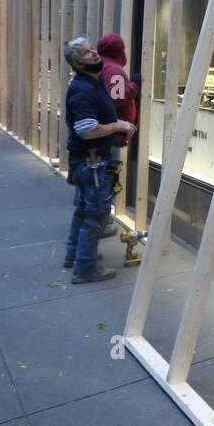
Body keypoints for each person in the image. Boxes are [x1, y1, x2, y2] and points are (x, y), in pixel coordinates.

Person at [63, 37, 135, 283]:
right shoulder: (83, 89)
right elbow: (86, 128)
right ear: (77, 64)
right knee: (96, 214)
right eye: (85, 53)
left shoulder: (91, 82)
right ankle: (85, 267)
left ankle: (75, 255)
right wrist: (119, 125)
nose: (92, 54)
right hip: (92, 160)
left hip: (87, 159)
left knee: (84, 210)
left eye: (91, 49)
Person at [95, 33, 140, 238]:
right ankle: (100, 225)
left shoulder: (101, 65)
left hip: (104, 136)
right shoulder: (113, 69)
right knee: (107, 181)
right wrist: (134, 86)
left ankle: (97, 223)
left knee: (104, 179)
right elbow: (117, 98)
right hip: (110, 137)